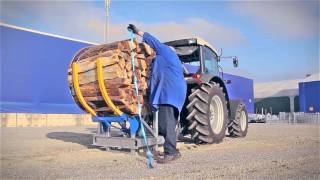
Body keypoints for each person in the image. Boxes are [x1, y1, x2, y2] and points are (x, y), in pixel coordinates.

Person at [127, 24, 187, 163]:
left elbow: (154, 41)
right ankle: (174, 151)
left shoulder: (166, 51)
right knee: (168, 123)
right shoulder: (174, 60)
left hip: (169, 93)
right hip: (174, 93)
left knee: (167, 124)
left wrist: (138, 32)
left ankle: (170, 152)